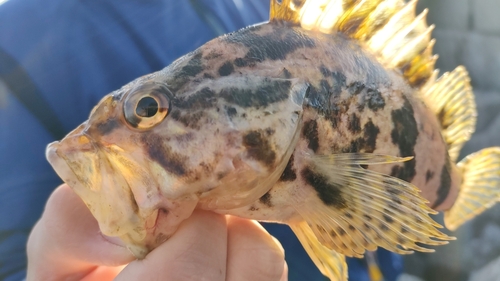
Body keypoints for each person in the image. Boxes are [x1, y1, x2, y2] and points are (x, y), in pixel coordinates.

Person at [0, 0, 403, 280]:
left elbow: (395, 206)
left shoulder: (248, 8)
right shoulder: (16, 44)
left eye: (147, 110)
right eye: (147, 110)